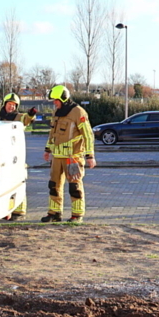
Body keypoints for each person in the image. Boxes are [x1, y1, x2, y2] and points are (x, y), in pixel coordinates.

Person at [42, 85, 96, 223]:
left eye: (56, 100)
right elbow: (52, 133)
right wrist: (47, 149)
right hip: (57, 157)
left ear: (64, 99)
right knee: (54, 185)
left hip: (73, 157)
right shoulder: (57, 112)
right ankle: (54, 213)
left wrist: (90, 156)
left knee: (75, 186)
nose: (54, 103)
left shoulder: (78, 112)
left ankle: (77, 215)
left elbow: (88, 135)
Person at [0, 92, 38, 220]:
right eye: (10, 104)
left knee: (18, 182)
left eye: (14, 105)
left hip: (16, 155)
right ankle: (5, 211)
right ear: (5, 105)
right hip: (1, 155)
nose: (12, 107)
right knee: (2, 184)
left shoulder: (19, 117)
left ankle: (19, 211)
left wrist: (31, 114)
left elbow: (27, 119)